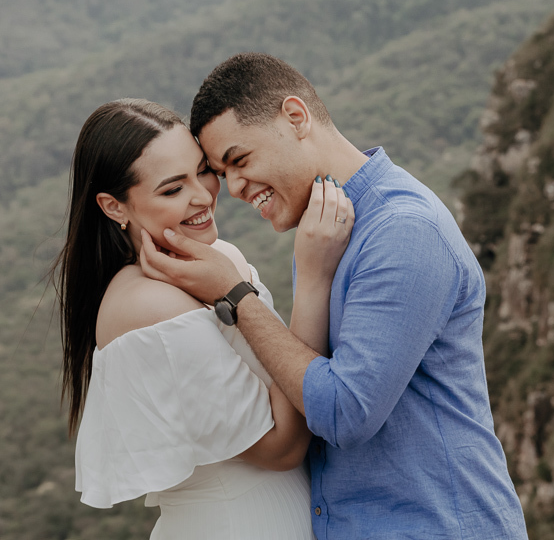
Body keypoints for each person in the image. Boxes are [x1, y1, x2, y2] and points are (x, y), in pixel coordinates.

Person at [141, 52, 529, 539]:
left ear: (295, 117)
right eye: (222, 171)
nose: (234, 187)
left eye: (239, 160)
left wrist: (236, 298)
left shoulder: (403, 232)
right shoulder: (324, 230)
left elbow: (345, 413)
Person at [54, 98, 352, 539]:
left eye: (203, 171)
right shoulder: (147, 309)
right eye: (172, 189)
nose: (204, 195)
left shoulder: (216, 260)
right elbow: (282, 448)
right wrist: (312, 279)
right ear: (115, 206)